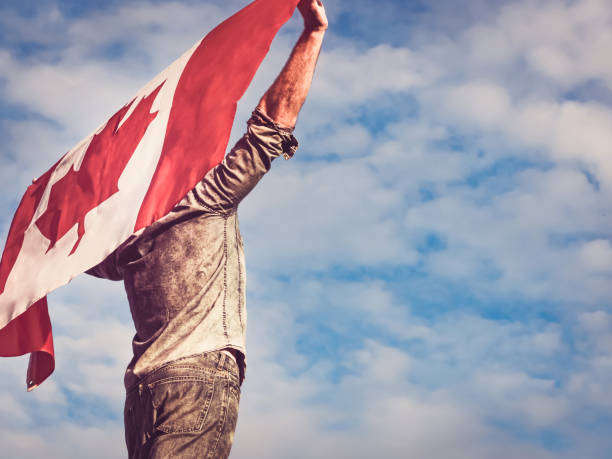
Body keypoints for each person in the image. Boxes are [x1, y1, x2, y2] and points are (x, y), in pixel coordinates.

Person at [86, 0, 327, 457]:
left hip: (142, 394)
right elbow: (271, 125)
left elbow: (81, 260)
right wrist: (312, 34)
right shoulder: (202, 200)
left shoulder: (124, 237)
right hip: (195, 378)